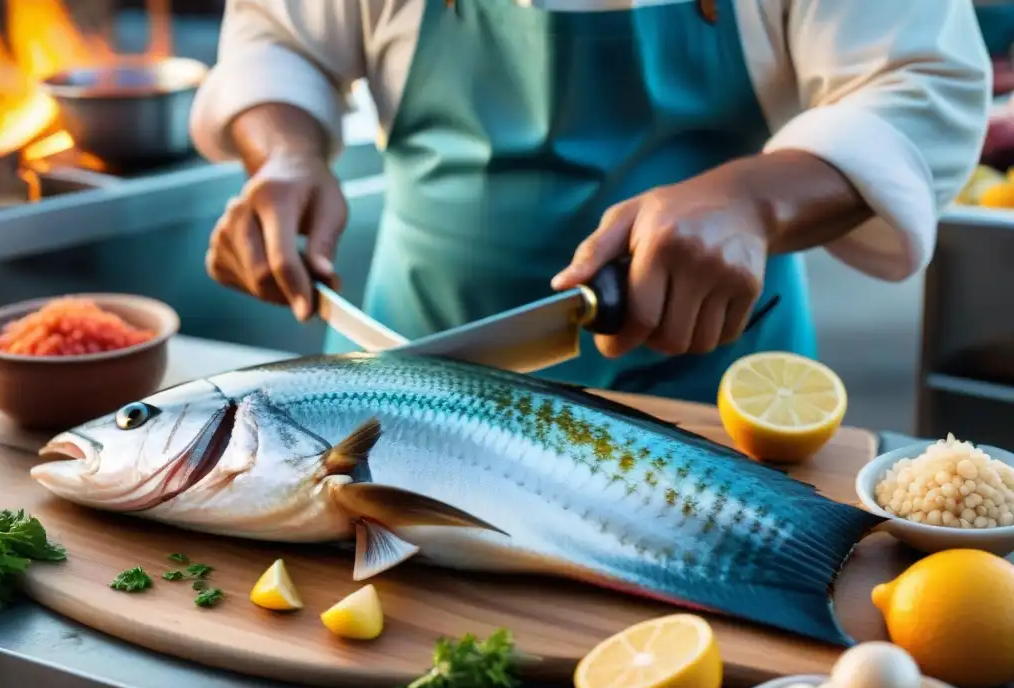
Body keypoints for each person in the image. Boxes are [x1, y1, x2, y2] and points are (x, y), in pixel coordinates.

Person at [190, 0, 990, 405]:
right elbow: (278, 34)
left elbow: (922, 82)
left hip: (715, 397)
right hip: (414, 373)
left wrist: (752, 198)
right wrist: (286, 152)